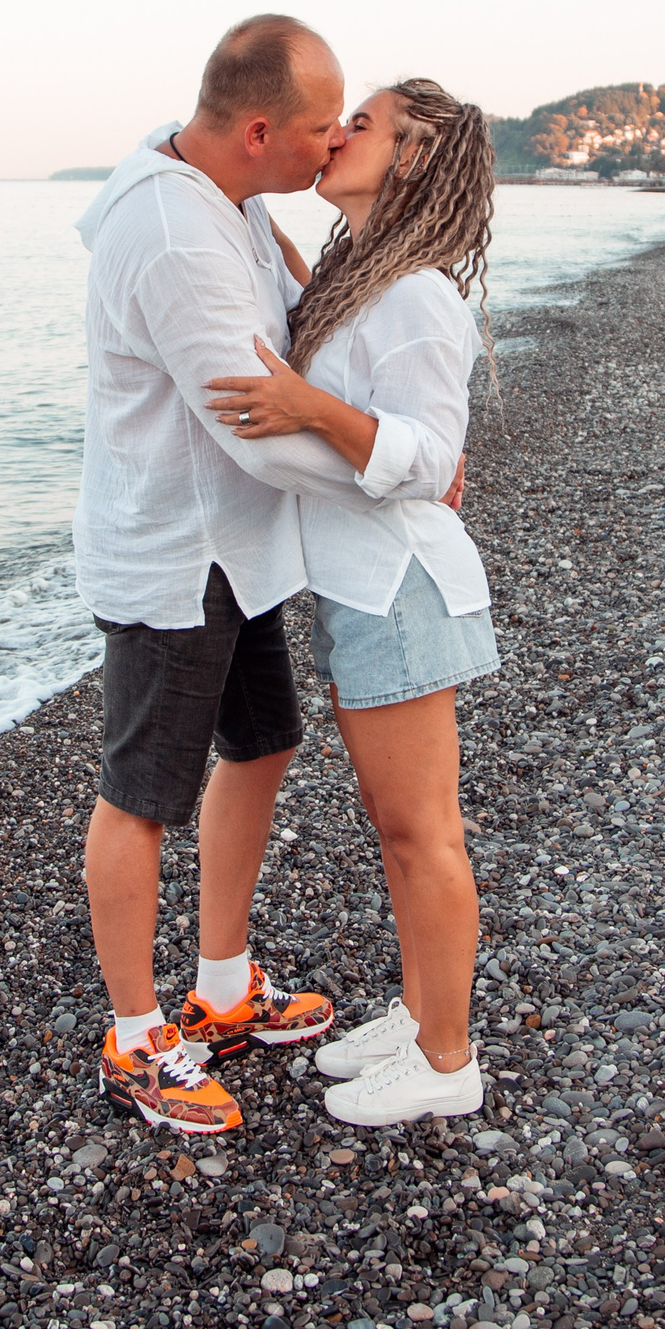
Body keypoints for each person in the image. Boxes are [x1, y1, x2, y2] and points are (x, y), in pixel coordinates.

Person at [69, 16, 457, 1135]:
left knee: (263, 741)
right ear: (254, 132)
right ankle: (137, 1036)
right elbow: (257, 436)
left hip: (237, 550)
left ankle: (224, 986)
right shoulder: (176, 234)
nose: (332, 140)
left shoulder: (222, 191)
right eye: (320, 124)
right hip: (176, 552)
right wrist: (403, 475)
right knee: (141, 795)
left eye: (348, 123)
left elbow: (274, 326)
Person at [202, 78, 498, 1126]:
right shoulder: (360, 275)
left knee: (423, 832)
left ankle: (447, 1058)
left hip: (400, 586)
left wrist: (308, 406)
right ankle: (419, 1016)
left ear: (411, 157)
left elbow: (433, 456)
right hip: (363, 586)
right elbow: (289, 292)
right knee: (395, 823)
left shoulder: (414, 292)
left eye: (361, 124)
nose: (336, 135)